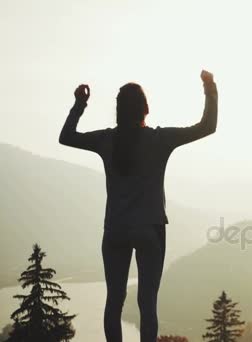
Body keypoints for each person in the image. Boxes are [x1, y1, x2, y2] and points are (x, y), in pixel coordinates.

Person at [59, 69, 218, 342]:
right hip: (150, 228)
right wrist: (210, 87)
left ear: (118, 111)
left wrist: (79, 104)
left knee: (114, 301)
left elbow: (67, 136)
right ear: (146, 108)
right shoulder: (160, 139)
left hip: (116, 229)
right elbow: (207, 126)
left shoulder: (106, 139)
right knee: (147, 304)